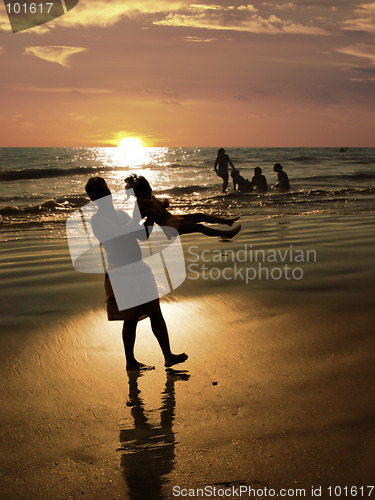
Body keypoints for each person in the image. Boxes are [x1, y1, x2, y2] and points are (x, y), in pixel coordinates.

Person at [85, 176, 188, 371]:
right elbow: (123, 234)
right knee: (130, 320)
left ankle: (168, 355)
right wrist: (137, 213)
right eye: (100, 193)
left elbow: (141, 235)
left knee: (156, 313)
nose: (106, 195)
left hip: (139, 268)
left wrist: (149, 216)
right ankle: (130, 361)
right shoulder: (97, 219)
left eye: (106, 190)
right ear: (93, 199)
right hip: (121, 273)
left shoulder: (121, 215)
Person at [125, 174, 241, 239]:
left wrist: (165, 203)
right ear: (139, 192)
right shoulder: (139, 205)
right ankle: (227, 234)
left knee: (200, 216)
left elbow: (164, 203)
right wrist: (148, 220)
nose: (149, 191)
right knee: (199, 227)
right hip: (171, 227)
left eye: (149, 188)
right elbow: (134, 223)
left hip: (174, 218)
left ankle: (226, 222)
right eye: (146, 190)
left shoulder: (151, 197)